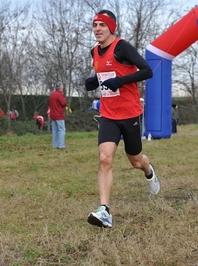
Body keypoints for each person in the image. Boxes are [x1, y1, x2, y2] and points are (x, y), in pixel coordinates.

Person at [84, 10, 159, 228]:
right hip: (108, 115)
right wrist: (93, 82)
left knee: (135, 161)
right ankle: (104, 210)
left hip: (129, 114)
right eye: (95, 25)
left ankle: (148, 170)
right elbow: (103, 75)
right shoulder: (94, 52)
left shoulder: (122, 47)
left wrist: (122, 81)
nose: (97, 29)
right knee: (104, 159)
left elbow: (147, 71)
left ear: (111, 28)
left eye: (102, 25)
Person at [48, 82, 68, 149]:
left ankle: (55, 145)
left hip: (52, 115)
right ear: (61, 88)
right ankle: (61, 145)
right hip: (59, 115)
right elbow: (64, 103)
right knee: (62, 130)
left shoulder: (51, 95)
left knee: (55, 131)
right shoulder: (59, 94)